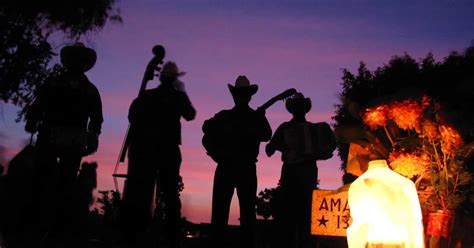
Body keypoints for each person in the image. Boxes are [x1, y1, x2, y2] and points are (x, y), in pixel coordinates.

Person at [24, 42, 103, 247]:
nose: (77, 63)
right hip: (53, 135)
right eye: (75, 59)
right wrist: (33, 120)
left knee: (64, 181)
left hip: (70, 139)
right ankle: (40, 225)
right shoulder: (59, 84)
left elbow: (96, 118)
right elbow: (38, 105)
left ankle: (55, 228)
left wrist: (93, 136)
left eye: (80, 60)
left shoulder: (83, 88)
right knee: (44, 178)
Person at [120, 61, 196, 247]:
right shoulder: (178, 97)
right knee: (170, 194)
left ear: (161, 78)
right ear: (174, 79)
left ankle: (134, 234)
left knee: (140, 192)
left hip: (144, 150)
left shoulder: (146, 96)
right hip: (168, 150)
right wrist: (182, 92)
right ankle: (171, 237)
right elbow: (190, 114)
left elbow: (132, 117)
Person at [202, 75, 272, 248]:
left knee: (221, 214)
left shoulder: (224, 116)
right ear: (249, 96)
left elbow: (206, 131)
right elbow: (267, 134)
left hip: (227, 168)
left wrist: (215, 153)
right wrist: (260, 117)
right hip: (244, 169)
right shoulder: (249, 117)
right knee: (246, 215)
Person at [265, 92, 335, 248]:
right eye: (298, 107)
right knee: (297, 214)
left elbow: (269, 150)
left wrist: (281, 147)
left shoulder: (291, 127)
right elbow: (269, 149)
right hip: (301, 173)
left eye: (299, 107)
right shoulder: (292, 127)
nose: (298, 110)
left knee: (298, 214)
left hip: (299, 173)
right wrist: (284, 146)